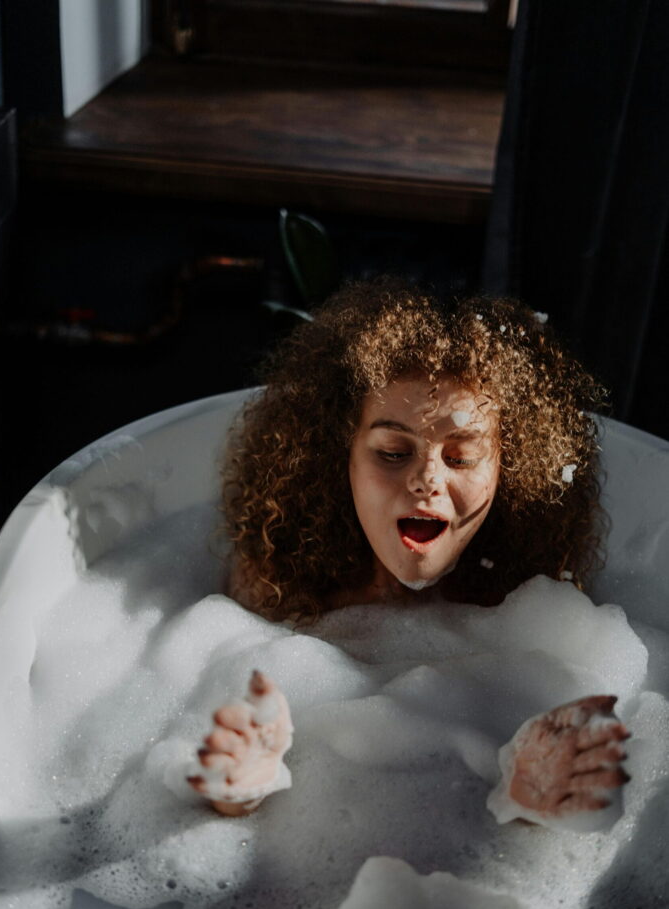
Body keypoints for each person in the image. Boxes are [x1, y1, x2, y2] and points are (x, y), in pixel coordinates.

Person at [187, 279, 630, 820]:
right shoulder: (278, 581)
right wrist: (235, 793)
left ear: (508, 471)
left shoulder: (534, 600)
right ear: (339, 457)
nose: (426, 481)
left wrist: (533, 807)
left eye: (462, 457)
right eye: (394, 452)